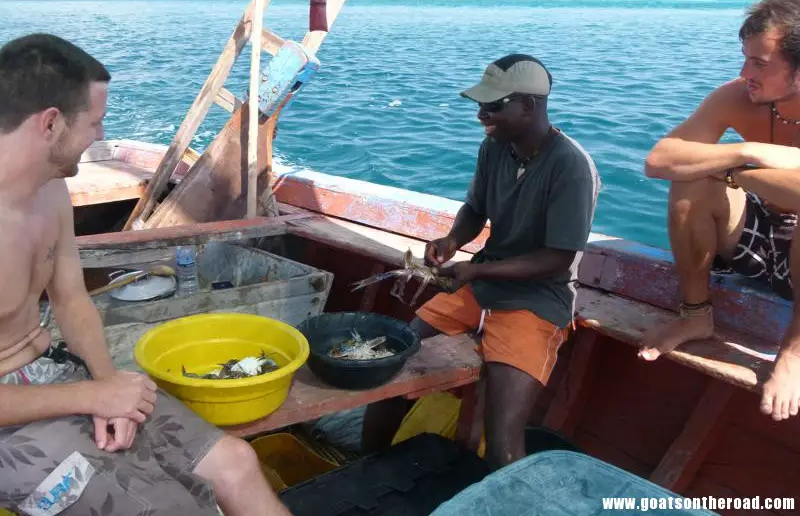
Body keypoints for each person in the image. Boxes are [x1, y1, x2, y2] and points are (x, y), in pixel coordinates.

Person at [0, 34, 291, 516]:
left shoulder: (51, 192)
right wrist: (93, 393)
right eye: (94, 122)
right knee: (173, 507)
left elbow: (71, 300)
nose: (100, 134)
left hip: (56, 372)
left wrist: (109, 384)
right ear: (50, 123)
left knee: (235, 463)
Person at [361, 53, 601, 470]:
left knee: (504, 439)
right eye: (480, 105)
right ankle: (360, 470)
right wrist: (452, 240)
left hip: (537, 299)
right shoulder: (495, 147)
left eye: (493, 106)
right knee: (394, 373)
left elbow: (557, 259)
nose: (481, 115)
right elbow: (475, 209)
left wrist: (476, 269)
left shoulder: (571, 167)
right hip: (482, 283)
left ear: (529, 105)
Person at [642, 0, 800, 422]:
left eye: (760, 63)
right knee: (690, 183)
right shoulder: (738, 95)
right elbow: (660, 160)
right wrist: (743, 155)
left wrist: (728, 169)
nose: (745, 70)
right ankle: (695, 315)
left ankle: (794, 352)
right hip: (761, 238)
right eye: (746, 57)